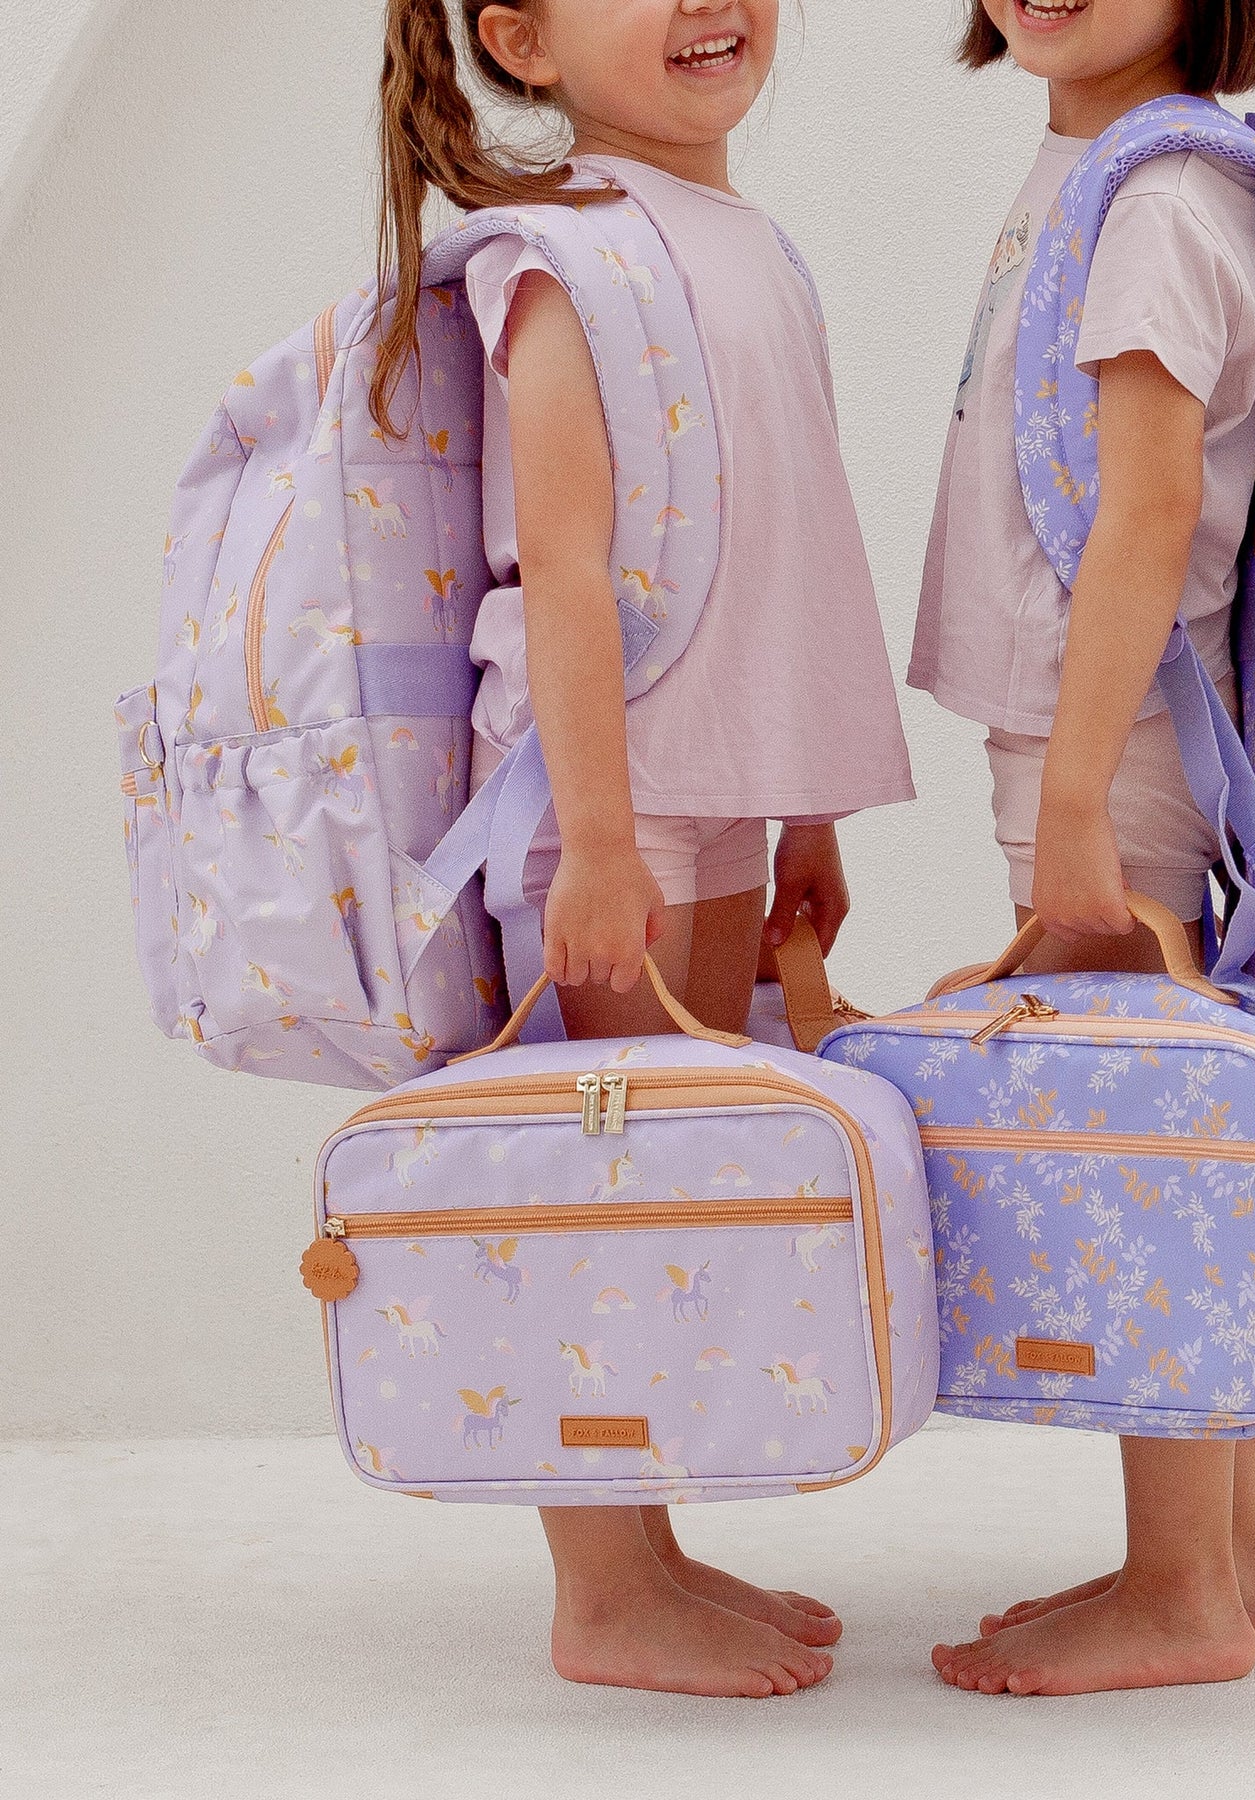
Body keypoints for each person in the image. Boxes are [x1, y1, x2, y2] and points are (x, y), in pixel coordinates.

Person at [373, 0, 913, 1696]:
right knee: (598, 1187)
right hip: (599, 801)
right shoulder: (558, 259)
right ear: (521, 41)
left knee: (673, 1169)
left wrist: (804, 802)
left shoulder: (753, 246)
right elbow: (567, 568)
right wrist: (598, 844)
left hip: (720, 783)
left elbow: (784, 546)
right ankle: (601, 1594)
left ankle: (653, 1549)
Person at [911, 0, 1255, 1695]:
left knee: (1147, 1152)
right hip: (1110, 724)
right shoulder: (1123, 167)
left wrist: (1074, 798)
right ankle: (1230, 1565)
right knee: (1168, 1125)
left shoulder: (1154, 200)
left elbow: (1147, 508)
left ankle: (1180, 1588)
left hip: (1114, 735)